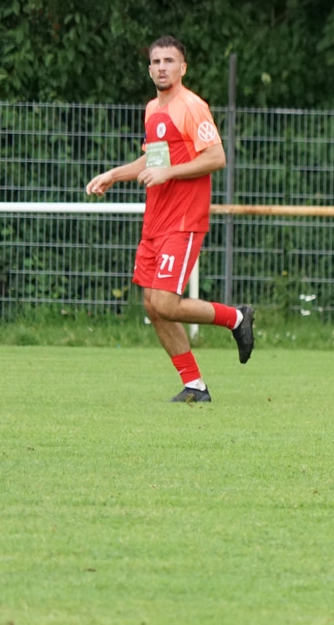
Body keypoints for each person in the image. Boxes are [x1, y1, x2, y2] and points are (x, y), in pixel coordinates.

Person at [86, 35, 253, 402]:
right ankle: (195, 385)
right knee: (152, 304)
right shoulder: (152, 109)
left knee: (165, 302)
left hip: (183, 219)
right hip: (156, 220)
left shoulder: (192, 106)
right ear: (150, 69)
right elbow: (155, 160)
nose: (162, 67)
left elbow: (216, 157)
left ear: (183, 68)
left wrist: (170, 172)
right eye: (156, 61)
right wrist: (114, 175)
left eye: (169, 61)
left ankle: (237, 318)